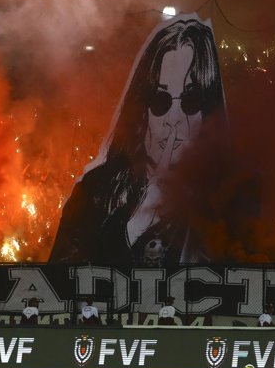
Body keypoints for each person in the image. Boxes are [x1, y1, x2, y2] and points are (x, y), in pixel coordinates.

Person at [49, 16, 228, 266]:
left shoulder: (229, 199)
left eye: (191, 100)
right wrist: (136, 224)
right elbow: (60, 285)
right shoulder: (96, 193)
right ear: (142, 112)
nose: (173, 121)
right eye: (160, 101)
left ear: (208, 111)